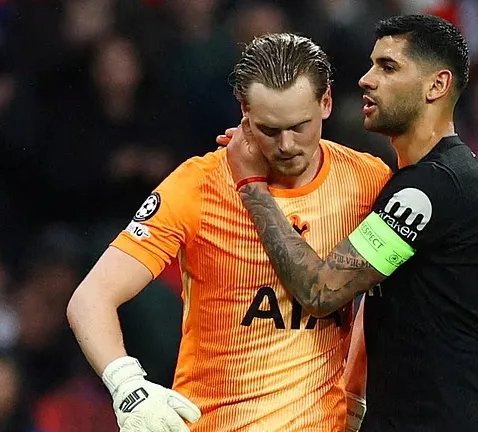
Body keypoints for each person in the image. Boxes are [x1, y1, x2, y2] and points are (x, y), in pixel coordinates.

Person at [66, 33, 392, 432]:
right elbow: (90, 298)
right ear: (244, 112)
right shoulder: (199, 184)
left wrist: (355, 390)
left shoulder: (367, 180)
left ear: (325, 103)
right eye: (269, 129)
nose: (286, 145)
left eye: (299, 126)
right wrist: (128, 386)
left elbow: (382, 299)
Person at [226, 15, 478, 431]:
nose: (366, 80)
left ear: (436, 86)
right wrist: (355, 395)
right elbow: (379, 300)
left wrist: (252, 187)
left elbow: (320, 291)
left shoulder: (431, 187)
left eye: (388, 67)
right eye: (371, 65)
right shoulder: (419, 178)